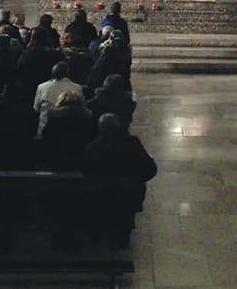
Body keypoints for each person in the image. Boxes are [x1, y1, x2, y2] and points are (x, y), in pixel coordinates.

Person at [83, 113, 158, 246]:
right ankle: (121, 238)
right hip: (128, 195)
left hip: (101, 196)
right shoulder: (132, 143)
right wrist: (137, 180)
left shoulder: (92, 148)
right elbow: (150, 169)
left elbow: (86, 172)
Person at [41, 90, 96, 171]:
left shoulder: (54, 117)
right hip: (80, 158)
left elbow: (46, 136)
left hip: (58, 158)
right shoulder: (86, 117)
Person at [33, 61, 81, 135]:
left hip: (45, 131)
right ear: (67, 73)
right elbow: (83, 110)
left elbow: (36, 109)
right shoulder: (77, 88)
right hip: (71, 133)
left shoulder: (42, 87)